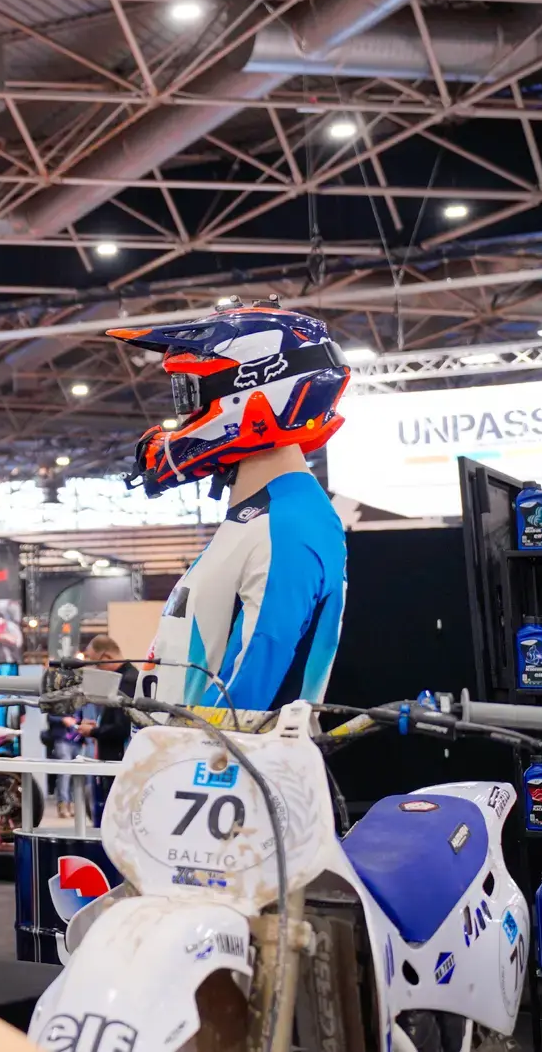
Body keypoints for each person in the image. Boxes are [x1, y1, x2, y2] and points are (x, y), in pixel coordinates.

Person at [109, 298, 350, 712]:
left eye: (191, 395)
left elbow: (243, 705)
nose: (184, 419)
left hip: (218, 753)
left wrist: (180, 747)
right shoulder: (265, 516)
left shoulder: (287, 527)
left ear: (253, 390)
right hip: (183, 749)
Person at [75, 635, 140, 820]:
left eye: (97, 663)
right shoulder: (126, 678)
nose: (97, 669)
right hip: (115, 762)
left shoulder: (126, 682)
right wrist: (99, 726)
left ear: (106, 658)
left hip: (117, 765)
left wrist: (93, 731)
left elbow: (122, 729)